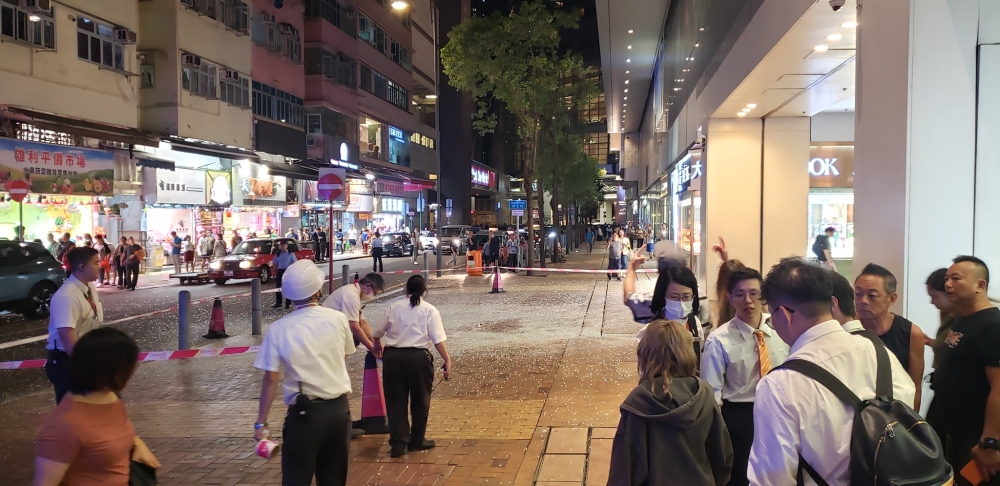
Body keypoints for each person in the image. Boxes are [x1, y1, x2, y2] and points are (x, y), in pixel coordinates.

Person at [748, 257, 915, 485]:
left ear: (785, 315)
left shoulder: (780, 384)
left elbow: (772, 479)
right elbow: (907, 411)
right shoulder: (879, 352)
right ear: (832, 304)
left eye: (771, 318)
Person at [253, 260, 356, 486]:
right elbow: (344, 355)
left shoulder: (279, 328)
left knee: (296, 478)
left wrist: (261, 423)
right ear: (318, 290)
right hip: (338, 412)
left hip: (304, 417)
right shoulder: (338, 319)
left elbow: (270, 379)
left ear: (289, 295)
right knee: (333, 479)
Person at [608, 319, 733, 485]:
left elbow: (624, 468)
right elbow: (722, 456)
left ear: (645, 353)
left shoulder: (639, 402)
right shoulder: (704, 395)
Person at [34, 328, 160, 485]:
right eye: (128, 366)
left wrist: (136, 444)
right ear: (107, 370)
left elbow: (106, 433)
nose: (133, 371)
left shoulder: (109, 399)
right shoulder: (65, 426)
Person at [701, 268, 789, 486]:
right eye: (740, 294)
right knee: (741, 474)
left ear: (764, 296)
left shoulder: (783, 328)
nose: (748, 301)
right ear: (730, 298)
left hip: (780, 409)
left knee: (781, 470)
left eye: (754, 293)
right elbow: (712, 392)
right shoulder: (718, 340)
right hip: (740, 416)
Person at [931, 255, 1000, 484]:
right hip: (956, 435)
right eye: (947, 279)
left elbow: (999, 388)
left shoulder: (992, 325)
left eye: (956, 278)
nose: (948, 284)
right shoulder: (962, 320)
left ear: (980, 285)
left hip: (978, 439)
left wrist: (989, 443)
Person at [371, 275, 451, 458]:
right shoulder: (430, 310)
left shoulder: (393, 307)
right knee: (420, 401)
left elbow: (378, 332)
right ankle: (416, 441)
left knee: (395, 402)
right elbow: (437, 339)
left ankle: (398, 445)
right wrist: (447, 359)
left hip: (393, 358)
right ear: (424, 291)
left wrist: (376, 345)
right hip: (418, 359)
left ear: (406, 289)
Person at [854, 262, 925, 409]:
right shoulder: (846, 328)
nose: (863, 301)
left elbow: (915, 387)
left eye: (872, 296)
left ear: (891, 299)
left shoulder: (911, 333)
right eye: (858, 294)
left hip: (893, 413)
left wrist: (911, 421)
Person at [44, 247, 104, 404]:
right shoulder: (67, 296)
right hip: (68, 361)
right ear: (82, 266)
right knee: (72, 410)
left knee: (93, 406)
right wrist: (84, 365)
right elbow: (67, 336)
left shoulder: (88, 287)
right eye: (96, 263)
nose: (100, 266)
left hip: (84, 355)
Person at [924, 268, 959, 368]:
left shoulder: (966, 319)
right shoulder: (947, 314)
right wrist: (930, 342)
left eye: (934, 296)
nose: (931, 302)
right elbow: (948, 345)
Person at [272, 240, 298, 309]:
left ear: (287, 246)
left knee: (287, 287)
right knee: (278, 287)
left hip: (287, 271)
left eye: (284, 245)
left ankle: (288, 303)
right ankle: (278, 302)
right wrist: (274, 273)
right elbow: (275, 264)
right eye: (281, 245)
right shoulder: (278, 254)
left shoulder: (290, 253)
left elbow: (295, 263)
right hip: (280, 271)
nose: (282, 246)